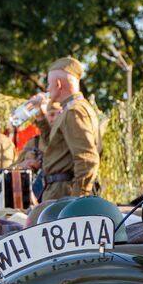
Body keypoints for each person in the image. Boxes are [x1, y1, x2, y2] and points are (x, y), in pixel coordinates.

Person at [39, 57, 102, 201]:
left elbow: (87, 160)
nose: (47, 89)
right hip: (61, 191)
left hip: (64, 192)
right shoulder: (71, 109)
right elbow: (56, 146)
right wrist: (41, 118)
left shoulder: (74, 111)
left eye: (49, 85)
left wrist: (77, 201)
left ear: (58, 84)